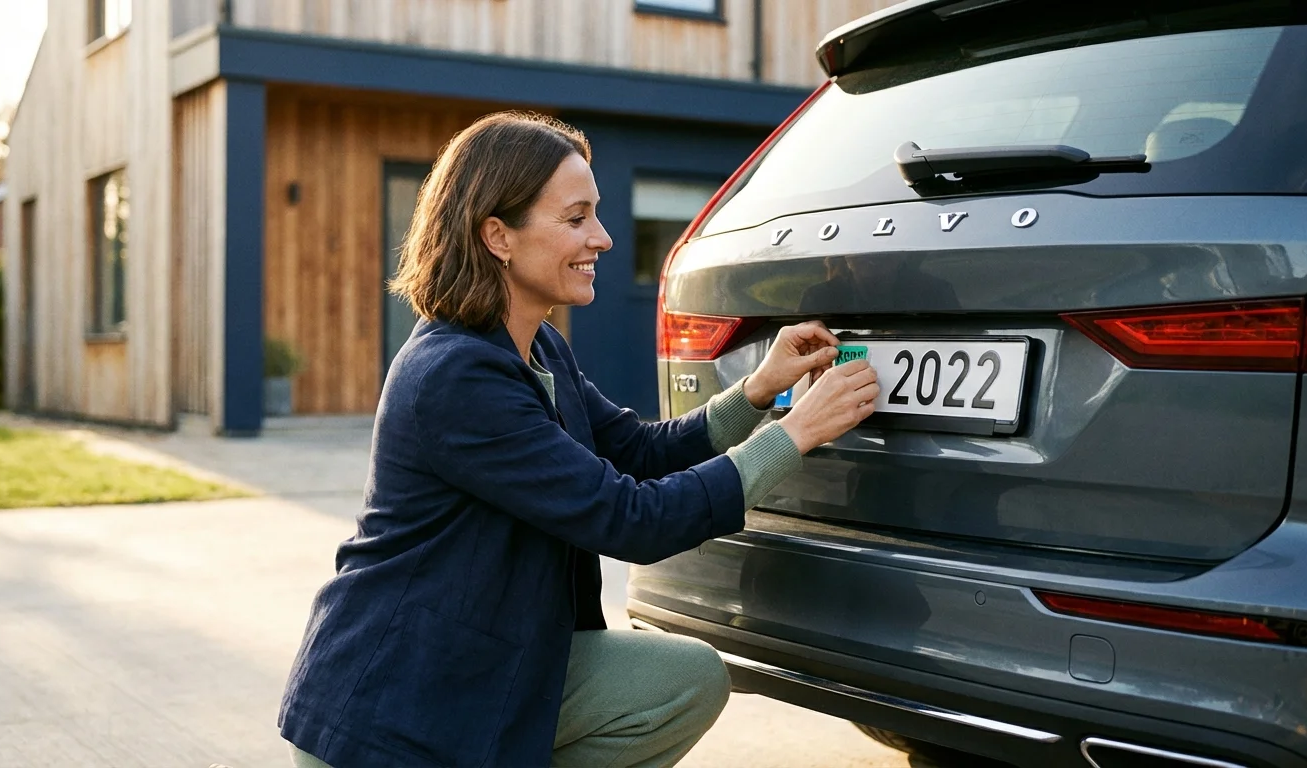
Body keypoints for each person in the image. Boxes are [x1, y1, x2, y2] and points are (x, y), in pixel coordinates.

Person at [278, 112, 879, 768]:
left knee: (684, 680)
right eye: (576, 219)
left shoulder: (536, 348)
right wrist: (795, 432)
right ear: (497, 235)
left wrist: (759, 392)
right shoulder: (455, 376)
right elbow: (629, 520)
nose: (604, 238)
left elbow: (640, 452)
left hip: (488, 668)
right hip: (398, 715)